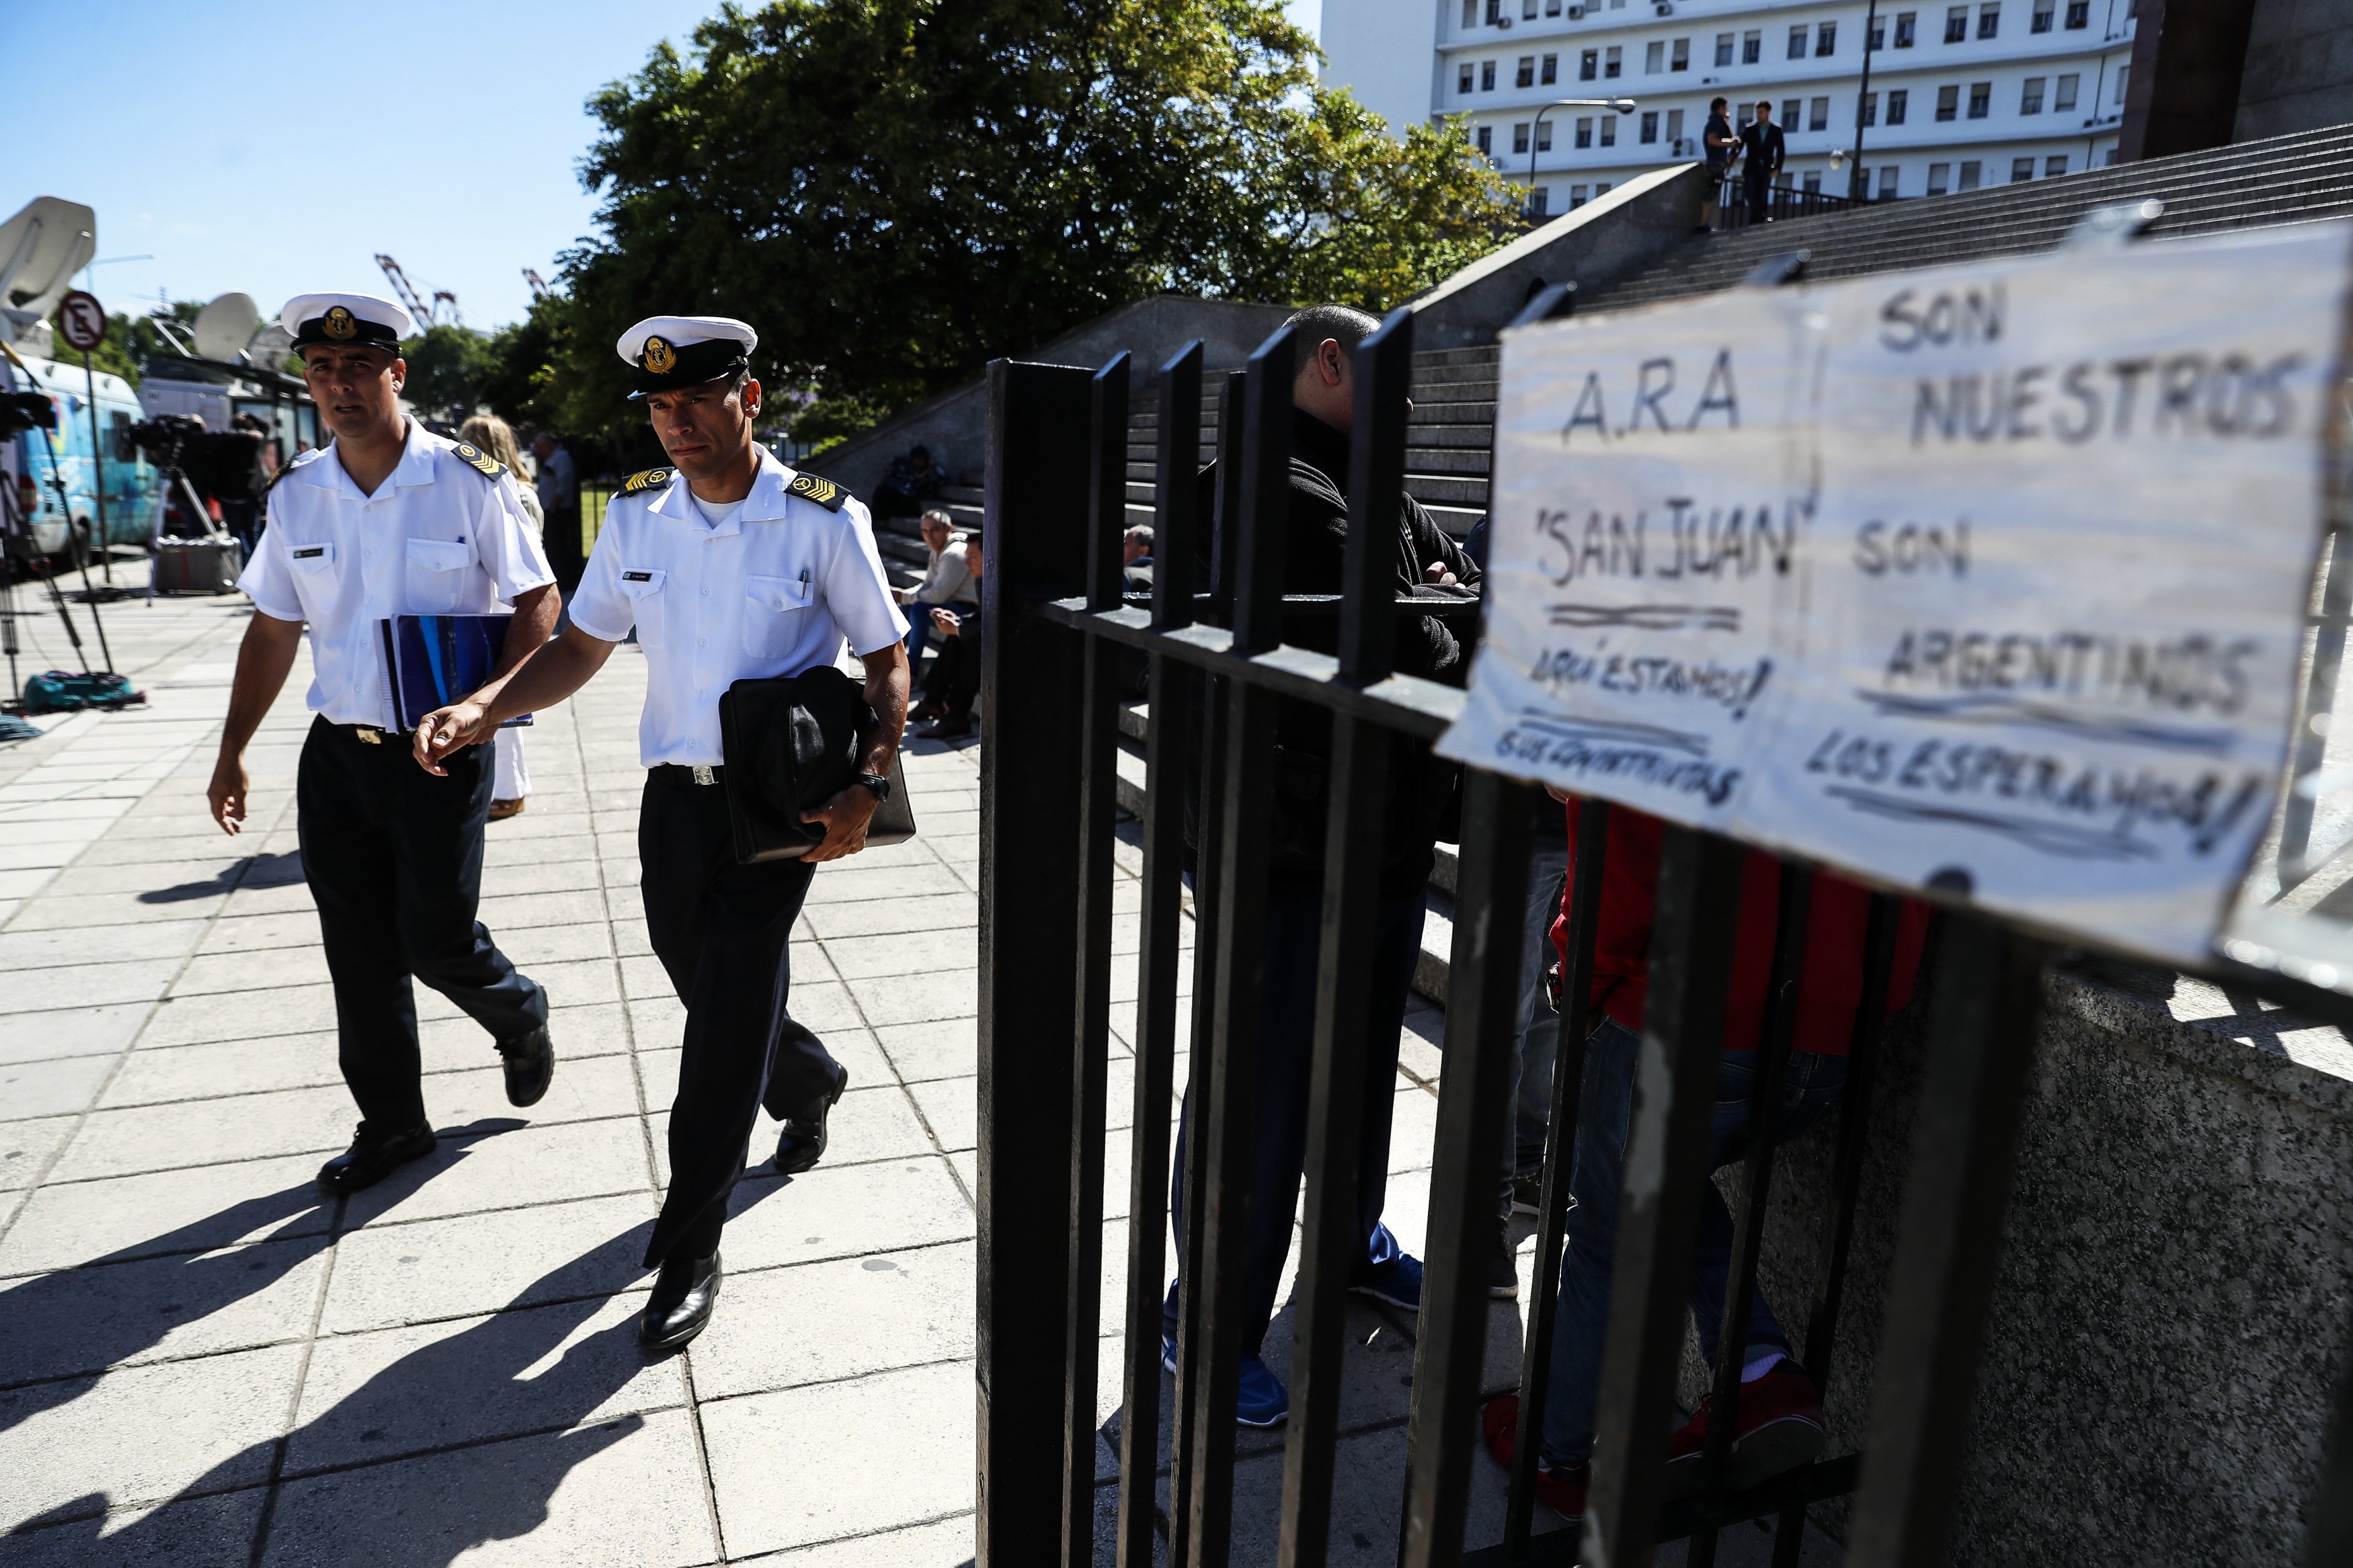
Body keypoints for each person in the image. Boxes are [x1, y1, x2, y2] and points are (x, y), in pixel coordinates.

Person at [412, 314, 910, 1351]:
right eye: (659, 406)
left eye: (695, 401)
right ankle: (808, 1077)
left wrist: (870, 781)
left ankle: (691, 1243)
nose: (674, 423)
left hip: (777, 804)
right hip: (673, 802)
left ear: (750, 399)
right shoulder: (636, 517)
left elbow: (887, 659)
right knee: (701, 977)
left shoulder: (822, 519)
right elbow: (583, 645)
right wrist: (488, 705)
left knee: (721, 1019)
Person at [1162, 304, 1483, 1427]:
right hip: (1293, 850)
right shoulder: (1277, 483)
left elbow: (1446, 593)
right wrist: (1447, 601)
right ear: (1333, 360)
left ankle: (1347, 1243)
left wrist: (1445, 598)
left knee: (1351, 1072)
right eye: (1392, 379)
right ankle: (1204, 1316)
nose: (1408, 407)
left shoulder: (1355, 474)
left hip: (1376, 836)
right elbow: (1419, 641)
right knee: (1260, 1092)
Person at [1480, 800, 1932, 1519]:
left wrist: (1578, 974)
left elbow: (1622, 842)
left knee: (1607, 1226)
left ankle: (1553, 1450)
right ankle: (1757, 1368)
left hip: (1685, 1004)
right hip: (1836, 1017)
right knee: (1660, 1180)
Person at [207, 292, 560, 1195]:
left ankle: (519, 1010)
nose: (339, 385)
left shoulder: (468, 481)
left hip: (438, 751)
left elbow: (537, 604)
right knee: (357, 950)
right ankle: (394, 1124)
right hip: (337, 757)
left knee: (435, 938)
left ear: (395, 374)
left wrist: (484, 707)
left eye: (358, 367)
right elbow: (274, 628)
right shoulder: (298, 496)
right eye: (322, 370)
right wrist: (233, 746)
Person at [462, 415, 542, 821]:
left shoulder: (515, 494)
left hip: (506, 608)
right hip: (492, 606)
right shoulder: (503, 489)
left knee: (502, 702)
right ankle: (506, 787)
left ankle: (511, 791)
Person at [911, 532, 983, 738]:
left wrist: (960, 627)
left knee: (975, 645)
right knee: (955, 638)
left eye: (973, 558)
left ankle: (957, 716)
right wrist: (958, 621)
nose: (967, 564)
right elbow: (982, 617)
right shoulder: (981, 576)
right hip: (987, 633)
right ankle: (933, 701)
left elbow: (997, 625)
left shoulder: (995, 579)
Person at [895, 507, 975, 665]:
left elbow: (939, 594)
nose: (929, 536)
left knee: (919, 608)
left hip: (969, 609)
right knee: (907, 607)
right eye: (925, 531)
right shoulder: (938, 550)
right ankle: (893, 660)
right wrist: (903, 595)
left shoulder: (954, 554)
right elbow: (928, 585)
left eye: (935, 530)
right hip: (950, 603)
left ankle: (913, 667)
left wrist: (903, 596)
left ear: (949, 529)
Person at [533, 431, 583, 593]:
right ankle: (559, 579)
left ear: (548, 445)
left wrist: (554, 505)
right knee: (552, 547)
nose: (539, 451)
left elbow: (564, 483)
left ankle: (564, 582)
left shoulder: (561, 457)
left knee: (559, 547)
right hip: (550, 509)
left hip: (557, 511)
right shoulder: (553, 458)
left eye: (541, 447)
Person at [1739, 99, 1786, 222]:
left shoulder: (1776, 130)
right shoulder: (1750, 129)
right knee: (1750, 193)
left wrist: (1778, 168)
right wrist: (1731, 158)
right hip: (1751, 168)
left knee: (1762, 195)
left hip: (1766, 168)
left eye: (1761, 112)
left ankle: (1759, 220)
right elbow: (1739, 145)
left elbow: (1781, 151)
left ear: (1768, 112)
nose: (1759, 115)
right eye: (1758, 113)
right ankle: (1758, 218)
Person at [872, 444, 945, 520]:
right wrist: (918, 476)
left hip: (909, 498)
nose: (919, 462)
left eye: (922, 459)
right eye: (917, 459)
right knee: (882, 491)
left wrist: (933, 467)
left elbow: (943, 479)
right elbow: (894, 472)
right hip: (894, 492)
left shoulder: (929, 470)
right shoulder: (903, 464)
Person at [1702, 96, 1741, 232]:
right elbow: (1712, 140)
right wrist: (1730, 143)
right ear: (1720, 108)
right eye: (1725, 108)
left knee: (1713, 193)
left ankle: (1706, 223)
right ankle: (1703, 224)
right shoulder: (1714, 123)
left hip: (1717, 163)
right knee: (1711, 193)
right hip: (1715, 164)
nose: (1726, 111)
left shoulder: (1717, 122)